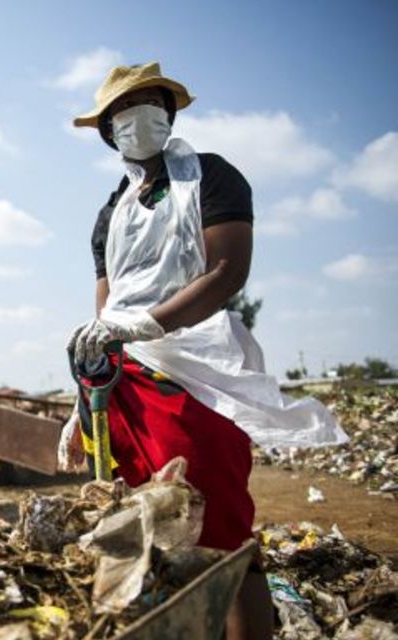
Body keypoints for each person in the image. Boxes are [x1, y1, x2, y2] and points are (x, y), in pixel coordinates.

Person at [67, 62, 348, 640]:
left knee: (217, 526)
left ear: (168, 115)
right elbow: (107, 311)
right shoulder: (109, 214)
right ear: (108, 131)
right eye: (123, 109)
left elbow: (226, 271)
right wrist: (81, 405)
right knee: (136, 528)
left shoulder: (212, 178)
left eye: (149, 103)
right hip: (126, 381)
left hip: (198, 370)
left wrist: (149, 323)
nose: (136, 117)